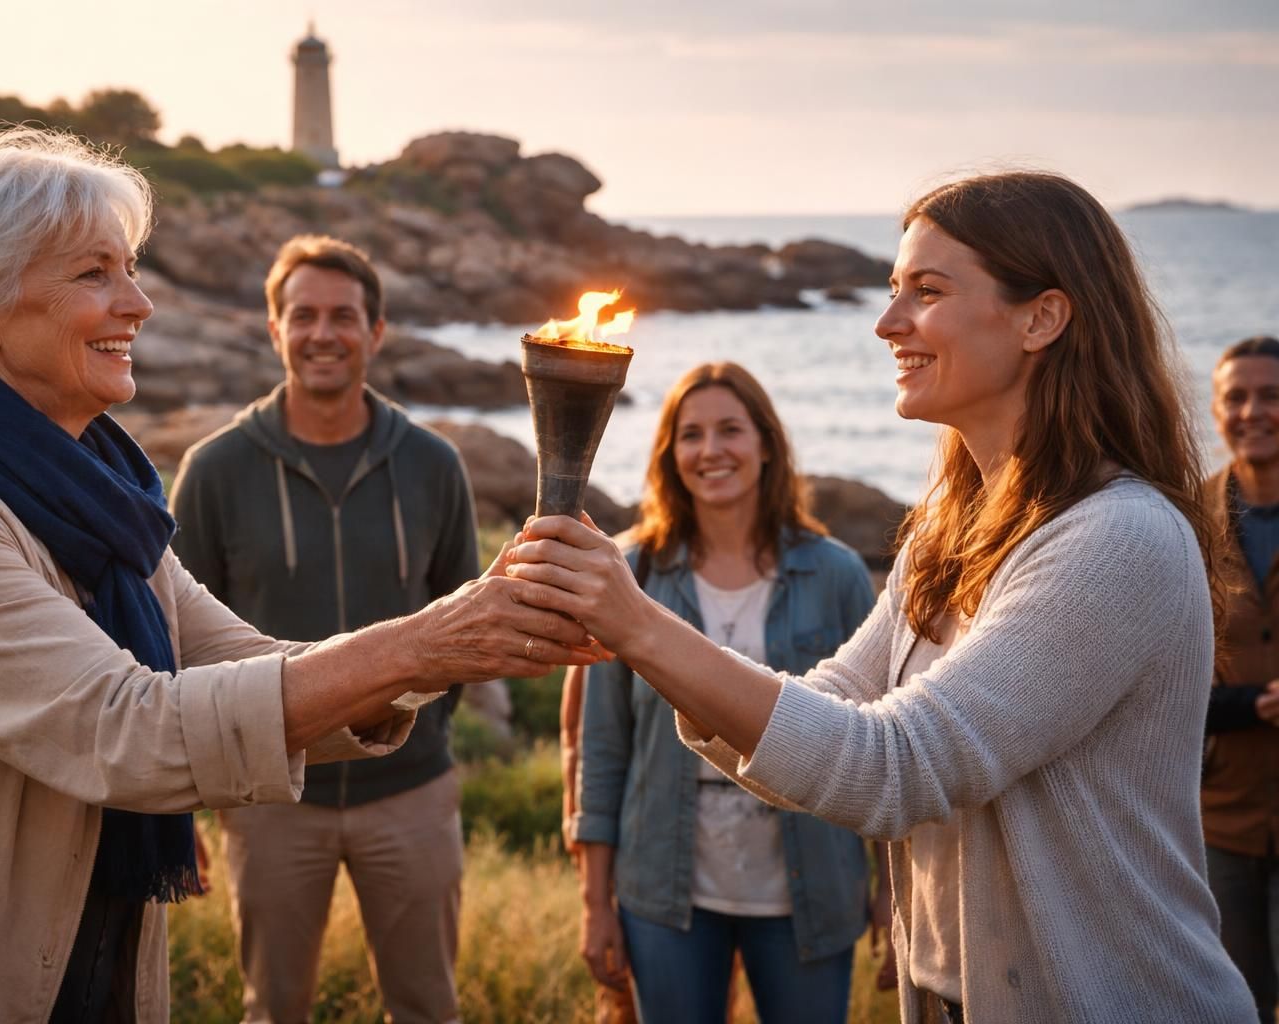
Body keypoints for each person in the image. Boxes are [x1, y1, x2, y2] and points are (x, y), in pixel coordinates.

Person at [0, 128, 598, 1024]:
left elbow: (243, 661)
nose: (140, 304)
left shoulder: (97, 499)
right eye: (95, 274)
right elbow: (128, 728)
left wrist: (465, 634)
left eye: (131, 269)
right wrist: (428, 642)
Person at [509, 171, 1255, 1022]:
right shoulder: (948, 527)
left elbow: (892, 767)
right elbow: (831, 709)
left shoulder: (1118, 539)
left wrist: (639, 623)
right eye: (894, 288)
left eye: (927, 292)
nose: (887, 322)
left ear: (1041, 318)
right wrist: (630, 621)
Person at [170, 235, 477, 1024]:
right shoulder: (215, 470)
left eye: (343, 316)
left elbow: (464, 624)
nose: (323, 333)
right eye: (303, 315)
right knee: (273, 1009)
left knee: (428, 1007)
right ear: (275, 329)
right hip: (270, 794)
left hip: (411, 792)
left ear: (376, 331)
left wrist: (422, 726)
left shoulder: (434, 465)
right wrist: (185, 801)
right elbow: (174, 642)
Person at [570, 363, 876, 1023]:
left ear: (766, 443)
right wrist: (595, 905)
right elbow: (602, 750)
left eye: (730, 430)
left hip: (813, 888)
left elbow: (879, 741)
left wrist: (892, 894)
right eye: (691, 434)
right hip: (664, 891)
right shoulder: (630, 574)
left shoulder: (838, 575)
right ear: (670, 455)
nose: (711, 450)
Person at [1204, 334, 1279, 1019]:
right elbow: (1156, 680)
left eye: (1272, 396)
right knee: (1231, 1003)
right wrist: (1253, 704)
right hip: (1217, 818)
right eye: (1237, 397)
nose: (1253, 412)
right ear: (1216, 409)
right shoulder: (1182, 518)